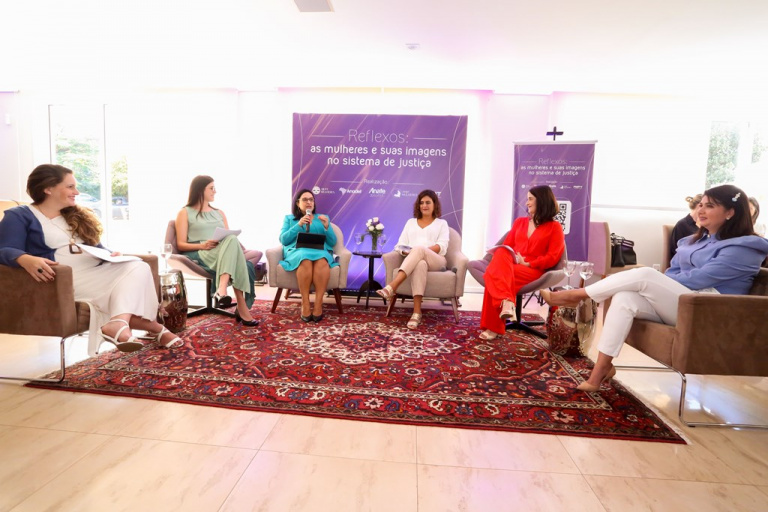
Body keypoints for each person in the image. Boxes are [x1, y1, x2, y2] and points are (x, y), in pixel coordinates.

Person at [541, 184, 768, 392]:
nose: (701, 210)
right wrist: (664, 283)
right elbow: (673, 271)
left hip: (709, 312)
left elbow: (700, 278)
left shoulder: (745, 247)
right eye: (701, 204)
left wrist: (662, 282)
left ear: (730, 212)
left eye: (710, 206)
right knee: (624, 297)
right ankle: (601, 371)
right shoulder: (695, 241)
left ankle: (577, 296)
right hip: (685, 302)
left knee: (647, 275)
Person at [0, 164, 182, 353]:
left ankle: (119, 323)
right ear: (48, 189)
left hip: (96, 271)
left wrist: (111, 254)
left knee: (139, 266)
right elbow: (4, 248)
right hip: (64, 280)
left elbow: (95, 247)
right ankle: (156, 328)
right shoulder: (20, 216)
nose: (76, 192)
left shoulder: (75, 214)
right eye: (70, 186)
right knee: (129, 281)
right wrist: (24, 258)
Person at [478, 185, 565, 340]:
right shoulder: (520, 222)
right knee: (501, 252)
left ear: (542, 201)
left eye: (530, 199)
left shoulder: (555, 227)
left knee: (493, 274)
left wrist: (529, 264)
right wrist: (513, 258)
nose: (527, 203)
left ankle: (494, 325)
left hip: (534, 270)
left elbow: (553, 257)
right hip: (512, 265)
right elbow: (507, 246)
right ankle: (506, 302)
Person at [175, 175, 258, 326]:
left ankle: (221, 289)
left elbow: (228, 237)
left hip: (222, 251)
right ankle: (241, 307)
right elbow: (180, 244)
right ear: (200, 190)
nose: (215, 191)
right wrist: (203, 245)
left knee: (231, 239)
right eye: (211, 188)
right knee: (240, 260)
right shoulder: (184, 212)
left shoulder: (219, 212)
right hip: (200, 251)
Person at [376, 189, 450, 329]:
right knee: (420, 263)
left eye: (428, 202)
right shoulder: (410, 222)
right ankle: (416, 313)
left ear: (435, 204)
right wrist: (407, 251)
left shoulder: (442, 223)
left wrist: (420, 250)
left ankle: (392, 286)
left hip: (437, 260)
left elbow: (442, 246)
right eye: (421, 203)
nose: (424, 205)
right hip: (415, 259)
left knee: (419, 249)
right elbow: (400, 245)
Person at [278, 189, 338, 322]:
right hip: (297, 251)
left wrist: (327, 227)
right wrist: (299, 224)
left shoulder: (323, 218)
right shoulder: (289, 219)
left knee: (322, 260)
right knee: (304, 258)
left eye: (311, 199)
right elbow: (283, 240)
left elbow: (332, 242)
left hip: (320, 251)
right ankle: (305, 303)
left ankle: (318, 303)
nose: (309, 202)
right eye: (305, 200)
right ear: (298, 203)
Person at [669, 194, 702, 261]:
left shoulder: (706, 224)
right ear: (699, 206)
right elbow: (676, 251)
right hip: (687, 261)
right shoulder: (682, 224)